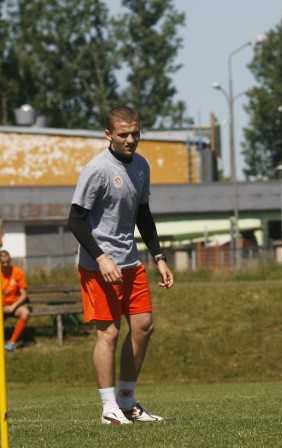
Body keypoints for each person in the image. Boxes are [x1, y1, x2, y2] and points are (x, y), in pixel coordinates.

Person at [68, 105, 174, 425]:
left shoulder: (141, 165)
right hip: (97, 264)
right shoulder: (97, 169)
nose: (130, 140)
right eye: (123, 134)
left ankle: (127, 402)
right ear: (108, 135)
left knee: (143, 327)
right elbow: (75, 219)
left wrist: (159, 257)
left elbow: (143, 214)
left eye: (135, 133)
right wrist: (100, 258)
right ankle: (108, 408)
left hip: (130, 262)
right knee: (110, 333)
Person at [2, 250, 30, 351]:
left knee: (25, 313)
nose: (5, 264)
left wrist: (13, 306)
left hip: (15, 305)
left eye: (7, 262)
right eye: (3, 262)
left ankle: (12, 342)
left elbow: (24, 294)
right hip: (2, 306)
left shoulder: (17, 272)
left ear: (10, 261)